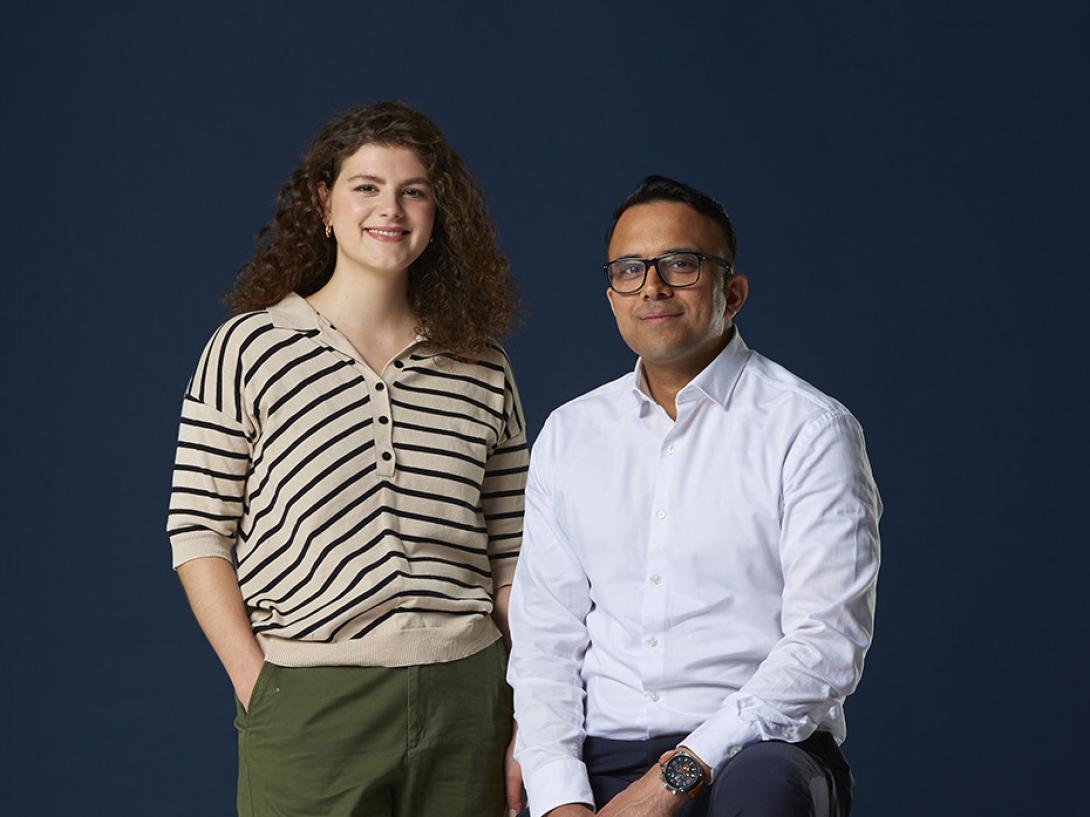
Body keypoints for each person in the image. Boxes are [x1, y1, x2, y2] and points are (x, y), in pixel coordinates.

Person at [167, 101, 527, 817]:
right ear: (322, 203)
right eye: (366, 186)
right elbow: (197, 533)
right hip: (310, 696)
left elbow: (515, 557)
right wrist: (257, 681)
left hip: (469, 695)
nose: (389, 208)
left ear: (438, 211)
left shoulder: (484, 367)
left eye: (414, 190)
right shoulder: (248, 349)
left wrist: (527, 712)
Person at [508, 175, 881, 817]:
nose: (652, 286)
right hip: (604, 754)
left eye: (680, 264)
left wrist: (672, 779)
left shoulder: (810, 429)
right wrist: (559, 796)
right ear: (612, 296)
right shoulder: (570, 434)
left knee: (763, 790)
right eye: (630, 269)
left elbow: (825, 644)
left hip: (759, 753)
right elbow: (547, 639)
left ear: (731, 292)